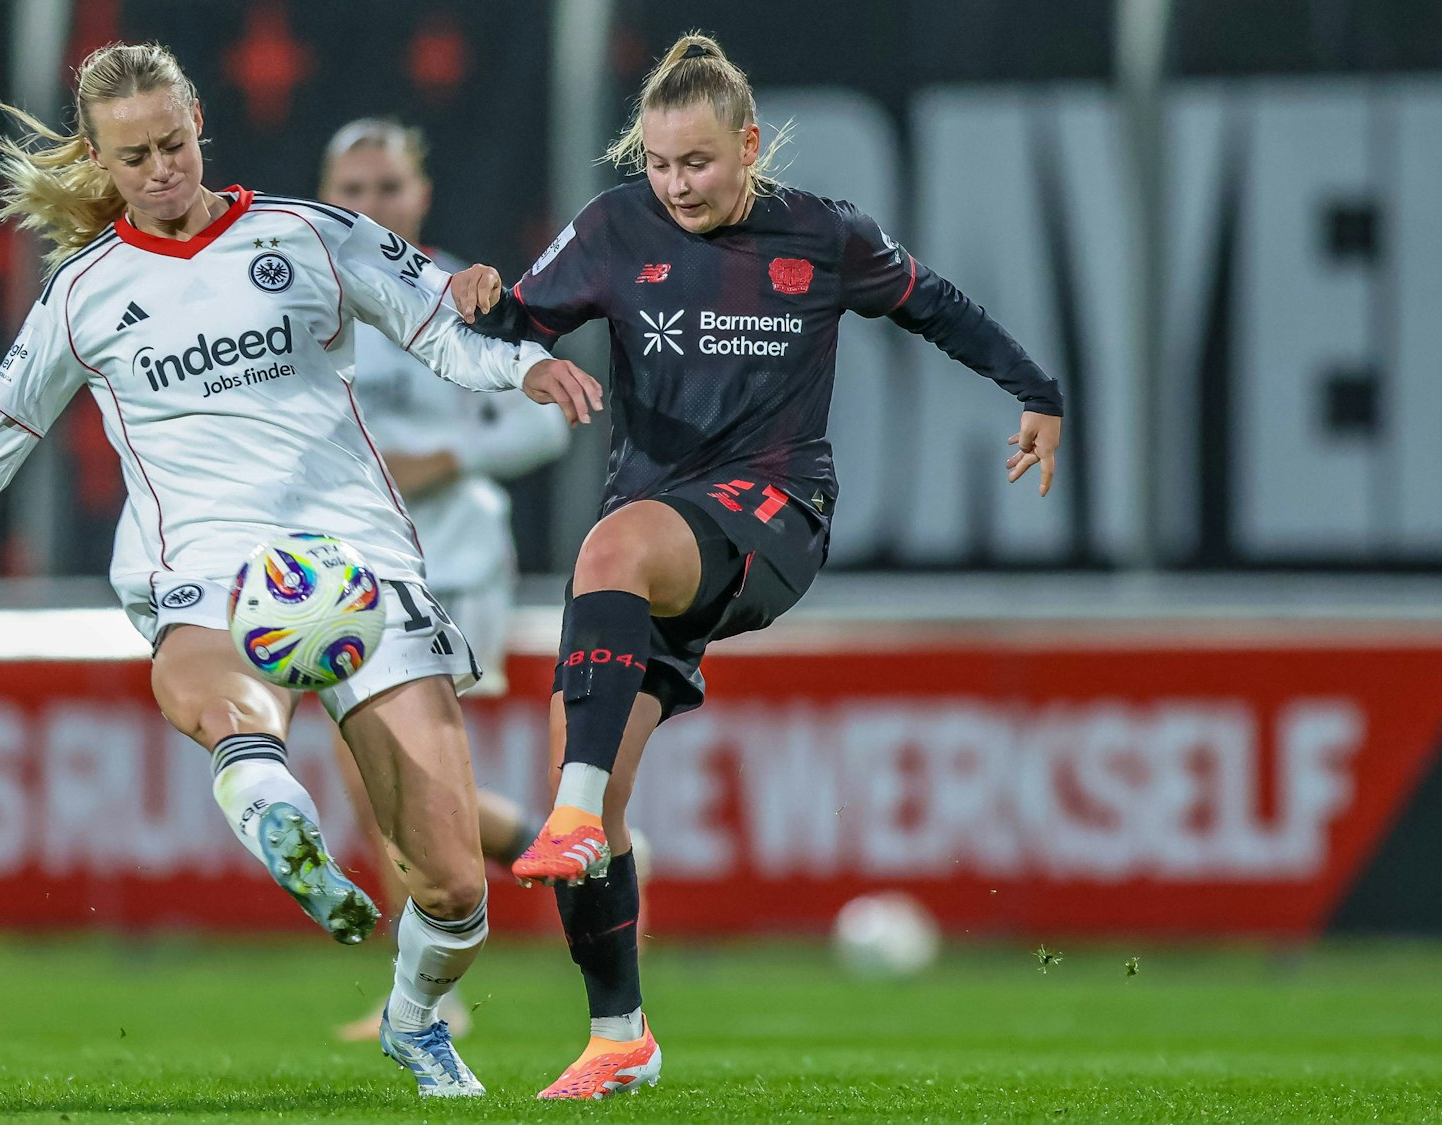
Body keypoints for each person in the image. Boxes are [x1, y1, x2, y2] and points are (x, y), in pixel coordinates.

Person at [0, 42, 601, 1099]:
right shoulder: (83, 295)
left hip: (365, 564)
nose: (159, 169)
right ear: (99, 159)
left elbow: (443, 329)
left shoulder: (308, 234)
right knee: (216, 689)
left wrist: (525, 364)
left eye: (171, 144)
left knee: (447, 885)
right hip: (209, 562)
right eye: (132, 157)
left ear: (199, 120)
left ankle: (411, 1018)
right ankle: (269, 803)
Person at [452, 32, 1064, 1100]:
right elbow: (512, 321)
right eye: (657, 165)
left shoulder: (823, 235)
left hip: (773, 515)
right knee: (587, 774)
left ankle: (571, 815)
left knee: (606, 560)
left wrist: (1038, 392)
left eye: (695, 162)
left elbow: (938, 307)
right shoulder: (612, 228)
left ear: (745, 147)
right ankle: (617, 1035)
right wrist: (479, 297)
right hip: (653, 552)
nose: (676, 185)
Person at [313, 117, 571, 1041]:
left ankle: (431, 995)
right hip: (347, 573)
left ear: (419, 197)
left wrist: (445, 454)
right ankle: (571, 854)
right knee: (378, 780)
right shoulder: (299, 297)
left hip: (447, 564)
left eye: (387, 188)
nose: (368, 206)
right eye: (351, 190)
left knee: (387, 770)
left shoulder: (455, 291)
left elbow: (547, 416)